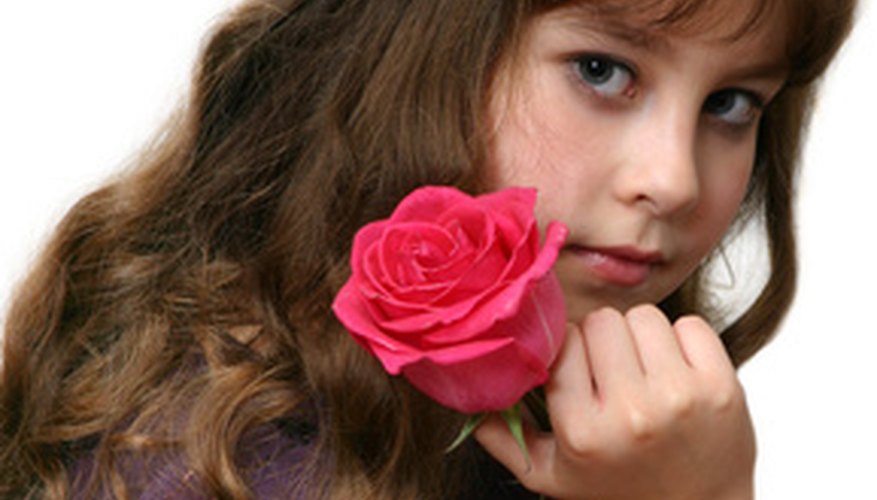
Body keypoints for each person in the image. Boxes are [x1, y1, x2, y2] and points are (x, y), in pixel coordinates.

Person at [0, 0, 857, 498]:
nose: (671, 179)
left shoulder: (615, 434)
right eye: (600, 70)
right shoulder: (222, 461)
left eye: (731, 103)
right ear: (402, 67)